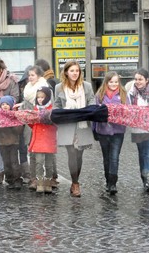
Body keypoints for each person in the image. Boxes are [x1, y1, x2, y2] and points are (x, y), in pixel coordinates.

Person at [54, 60, 95, 197]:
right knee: (72, 154)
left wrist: (84, 112)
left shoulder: (86, 86)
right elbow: (56, 106)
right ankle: (75, 183)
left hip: (82, 125)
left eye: (77, 71)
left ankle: (75, 181)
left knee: (79, 155)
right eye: (72, 71)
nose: (75, 73)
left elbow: (92, 102)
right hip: (67, 125)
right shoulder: (59, 87)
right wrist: (65, 112)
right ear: (66, 72)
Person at [93, 71, 127, 195]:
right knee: (106, 158)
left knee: (114, 157)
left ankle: (113, 183)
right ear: (106, 82)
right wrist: (94, 130)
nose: (114, 84)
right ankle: (108, 180)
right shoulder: (100, 95)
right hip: (103, 130)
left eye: (116, 82)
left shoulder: (123, 95)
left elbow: (127, 113)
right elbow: (95, 113)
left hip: (118, 131)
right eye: (111, 82)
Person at [19, 65, 50, 191]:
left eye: (33, 75)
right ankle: (34, 179)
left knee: (44, 154)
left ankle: (47, 179)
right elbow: (27, 103)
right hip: (29, 124)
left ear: (39, 76)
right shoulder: (27, 88)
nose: (30, 77)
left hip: (42, 124)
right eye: (29, 75)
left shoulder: (45, 88)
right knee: (31, 150)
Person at [29, 86, 58, 194]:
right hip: (38, 140)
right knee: (39, 162)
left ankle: (48, 182)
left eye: (42, 97)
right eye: (38, 97)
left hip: (49, 139)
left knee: (49, 163)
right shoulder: (35, 109)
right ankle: (40, 182)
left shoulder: (52, 109)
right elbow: (31, 124)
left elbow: (56, 124)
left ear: (47, 97)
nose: (40, 99)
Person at [0, 96, 24, 189]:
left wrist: (10, 125)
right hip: (2, 142)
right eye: (3, 104)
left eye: (7, 104)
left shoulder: (15, 115)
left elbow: (19, 130)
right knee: (6, 162)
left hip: (13, 142)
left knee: (14, 162)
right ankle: (9, 180)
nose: (5, 106)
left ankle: (17, 179)